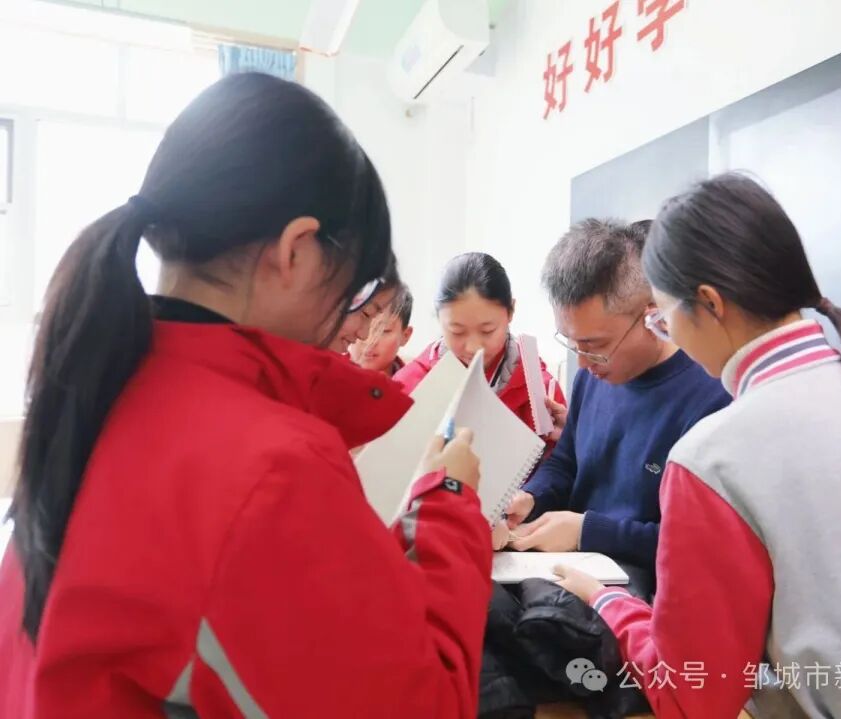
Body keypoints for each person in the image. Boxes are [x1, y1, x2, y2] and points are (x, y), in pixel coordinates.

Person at [0, 73, 493, 718]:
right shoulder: (270, 468)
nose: (349, 323)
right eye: (352, 289)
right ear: (296, 251)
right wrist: (449, 501)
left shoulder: (106, 385)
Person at [554, 173, 841, 718]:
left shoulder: (715, 457)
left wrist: (609, 600)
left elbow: (693, 697)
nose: (666, 334)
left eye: (662, 318)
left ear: (709, 304)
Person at [505, 219, 731, 573]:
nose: (583, 362)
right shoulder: (593, 374)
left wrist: (588, 532)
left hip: (635, 586)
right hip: (568, 569)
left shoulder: (713, 399)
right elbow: (567, 462)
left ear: (654, 319)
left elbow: (699, 544)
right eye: (571, 342)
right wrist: (532, 497)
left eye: (595, 345)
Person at [395, 252, 565, 452]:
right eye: (457, 331)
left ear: (511, 311)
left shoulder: (541, 391)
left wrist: (566, 439)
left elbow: (561, 462)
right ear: (439, 318)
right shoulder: (409, 386)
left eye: (487, 331)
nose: (473, 347)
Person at [348, 284, 414, 376]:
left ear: (405, 336)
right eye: (361, 326)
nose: (369, 339)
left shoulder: (416, 382)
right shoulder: (329, 375)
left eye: (384, 331)